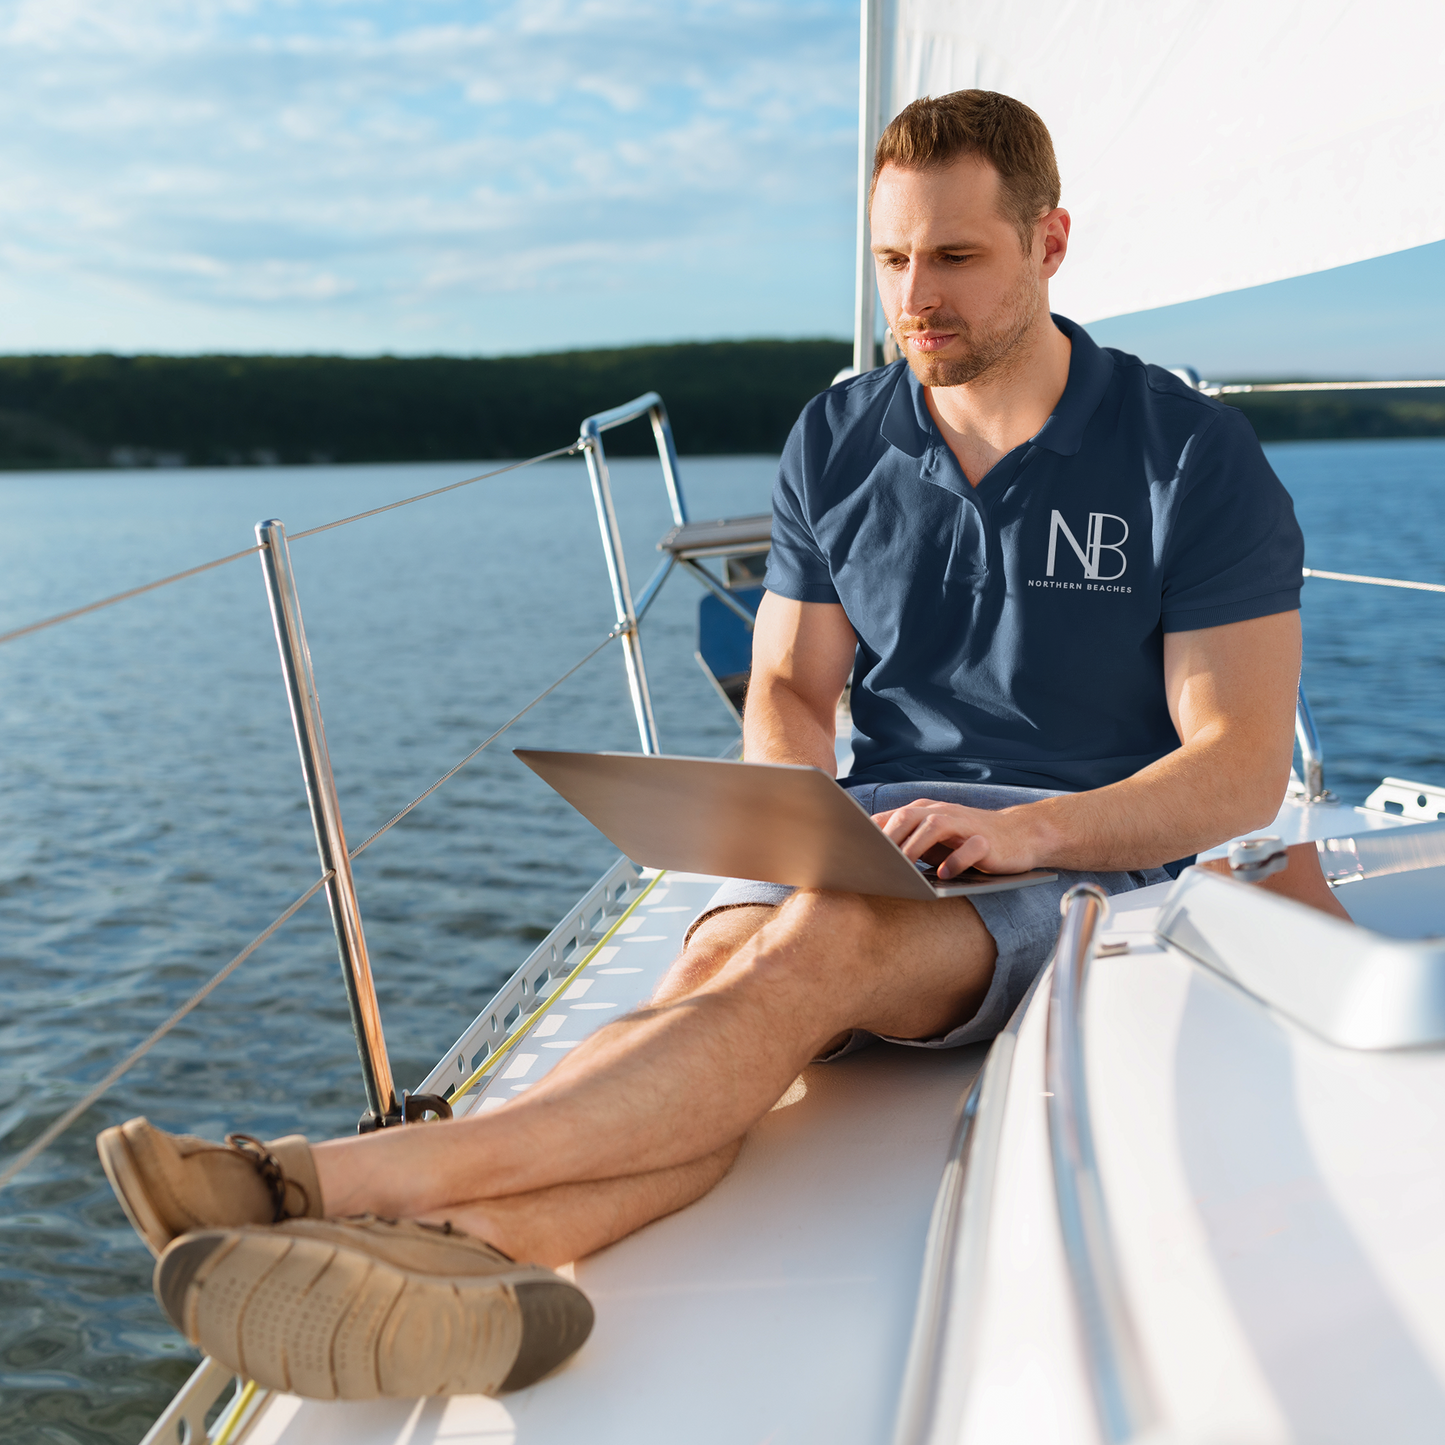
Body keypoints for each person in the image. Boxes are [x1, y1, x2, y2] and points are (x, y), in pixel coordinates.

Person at [97, 89, 1305, 1401]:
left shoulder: (1186, 453)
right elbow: (788, 681)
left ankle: (324, 1177)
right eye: (892, 260)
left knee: (821, 951)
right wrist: (796, 819)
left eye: (956, 257)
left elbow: (1235, 766)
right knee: (721, 983)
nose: (918, 295)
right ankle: (503, 1254)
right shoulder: (842, 434)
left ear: (1050, 243)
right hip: (878, 827)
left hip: (1076, 860)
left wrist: (1026, 831)